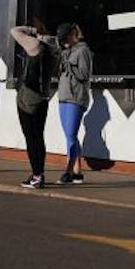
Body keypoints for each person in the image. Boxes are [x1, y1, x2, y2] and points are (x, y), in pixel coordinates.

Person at [11, 19, 57, 188]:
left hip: (29, 97)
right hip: (43, 97)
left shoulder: (35, 45)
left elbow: (15, 31)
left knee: (30, 138)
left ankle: (36, 176)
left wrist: (30, 30)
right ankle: (40, 173)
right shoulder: (53, 48)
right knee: (39, 137)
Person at [55, 22, 93, 185]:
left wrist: (68, 65)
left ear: (72, 35)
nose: (63, 42)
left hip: (76, 96)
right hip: (64, 96)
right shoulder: (66, 51)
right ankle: (77, 172)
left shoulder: (83, 51)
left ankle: (69, 171)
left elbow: (84, 75)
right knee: (69, 136)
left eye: (64, 38)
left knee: (70, 135)